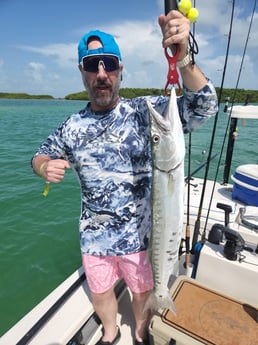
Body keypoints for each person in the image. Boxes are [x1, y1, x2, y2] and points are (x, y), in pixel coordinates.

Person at [31, 9, 218, 345]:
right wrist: (45, 166)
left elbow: (204, 106)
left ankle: (142, 331)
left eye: (109, 64)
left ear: (120, 69)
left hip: (142, 237)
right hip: (94, 238)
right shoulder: (71, 127)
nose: (102, 73)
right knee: (101, 292)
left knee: (142, 289)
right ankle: (110, 331)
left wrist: (184, 58)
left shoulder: (144, 112)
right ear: (82, 73)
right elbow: (39, 154)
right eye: (92, 65)